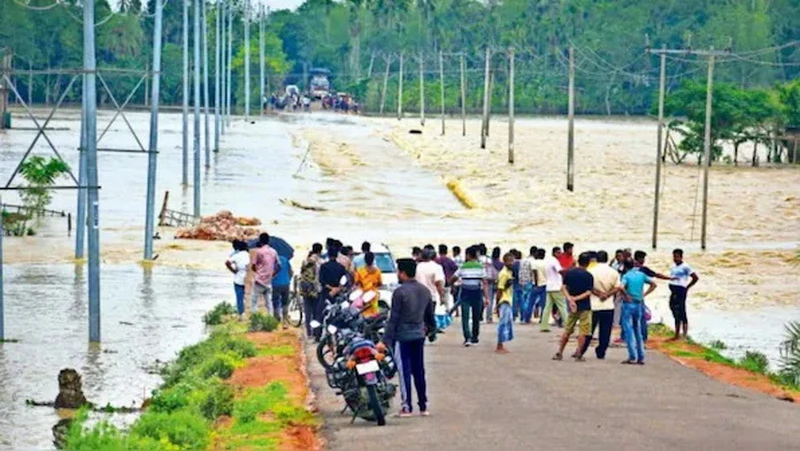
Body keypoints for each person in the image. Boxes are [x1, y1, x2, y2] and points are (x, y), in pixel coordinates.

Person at [382, 258, 436, 418]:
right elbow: (430, 317)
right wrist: (431, 331)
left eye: (399, 271)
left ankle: (407, 407)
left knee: (404, 371)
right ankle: (423, 405)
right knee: (419, 370)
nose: (398, 274)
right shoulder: (425, 291)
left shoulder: (400, 292)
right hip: (419, 335)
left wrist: (385, 340)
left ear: (403, 273)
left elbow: (394, 318)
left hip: (403, 336)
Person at [553, 253, 595, 362]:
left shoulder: (570, 273)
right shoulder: (589, 276)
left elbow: (563, 288)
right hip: (584, 306)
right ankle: (579, 353)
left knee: (567, 329)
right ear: (588, 263)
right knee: (583, 331)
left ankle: (560, 352)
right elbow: (588, 292)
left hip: (572, 306)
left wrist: (570, 299)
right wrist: (576, 299)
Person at [579, 251, 621, 359]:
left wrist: (599, 293)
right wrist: (607, 294)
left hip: (593, 305)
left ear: (596, 259)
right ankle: (601, 351)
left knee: (589, 329)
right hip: (608, 305)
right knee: (605, 331)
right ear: (607, 259)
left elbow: (588, 286)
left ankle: (582, 350)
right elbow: (617, 287)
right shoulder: (613, 272)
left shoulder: (590, 271)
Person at [619, 260, 657, 364]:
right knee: (638, 329)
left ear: (625, 267)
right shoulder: (641, 275)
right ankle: (641, 356)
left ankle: (632, 356)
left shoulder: (626, 276)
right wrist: (644, 294)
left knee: (628, 329)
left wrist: (626, 295)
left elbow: (620, 287)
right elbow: (653, 284)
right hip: (639, 303)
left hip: (628, 304)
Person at [451, 246, 488, 346]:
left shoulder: (463, 267)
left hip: (465, 293)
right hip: (477, 293)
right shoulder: (480, 267)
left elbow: (453, 278)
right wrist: (487, 297)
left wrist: (452, 285)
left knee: (465, 316)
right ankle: (475, 337)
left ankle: (467, 337)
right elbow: (484, 282)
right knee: (476, 317)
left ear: (467, 255)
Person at [633, 250, 670, 341]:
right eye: (643, 258)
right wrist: (670, 278)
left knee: (628, 317)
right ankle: (643, 337)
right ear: (640, 259)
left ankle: (627, 336)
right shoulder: (643, 270)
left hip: (628, 296)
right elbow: (656, 275)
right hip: (639, 296)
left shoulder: (629, 268)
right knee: (641, 317)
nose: (644, 260)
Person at [668, 249, 699, 341]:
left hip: (681, 291)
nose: (675, 258)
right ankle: (676, 334)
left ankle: (684, 335)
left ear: (681, 257)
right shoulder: (673, 267)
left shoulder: (686, 267)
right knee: (674, 310)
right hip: (673, 291)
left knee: (681, 311)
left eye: (677, 257)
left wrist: (687, 287)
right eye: (674, 256)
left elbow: (695, 277)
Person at [317, 247, 348, 337]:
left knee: (320, 314)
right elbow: (345, 281)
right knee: (339, 314)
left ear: (328, 255)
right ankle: (339, 334)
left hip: (326, 293)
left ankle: (318, 335)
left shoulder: (323, 266)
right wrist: (337, 289)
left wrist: (331, 288)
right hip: (338, 294)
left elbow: (321, 280)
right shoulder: (341, 267)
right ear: (336, 255)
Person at [416, 248, 446, 330]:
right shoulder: (436, 267)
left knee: (420, 316)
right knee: (429, 315)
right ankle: (430, 331)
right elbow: (439, 283)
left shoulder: (417, 266)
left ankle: (422, 331)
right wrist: (442, 296)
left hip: (417, 296)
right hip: (431, 296)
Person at [251, 233, 280, 316]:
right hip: (269, 281)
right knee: (269, 302)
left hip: (259, 280)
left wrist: (257, 272)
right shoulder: (274, 252)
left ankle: (255, 319)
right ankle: (270, 319)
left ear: (260, 241)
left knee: (254, 301)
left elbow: (253, 265)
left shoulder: (259, 252)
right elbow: (279, 266)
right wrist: (273, 274)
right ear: (268, 241)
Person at [541, 247, 568, 333]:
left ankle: (544, 325)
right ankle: (568, 325)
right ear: (554, 253)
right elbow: (560, 271)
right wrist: (570, 270)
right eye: (558, 253)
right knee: (562, 306)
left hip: (549, 286)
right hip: (556, 287)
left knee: (547, 307)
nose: (560, 255)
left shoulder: (548, 261)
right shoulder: (555, 261)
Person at [299, 244, 323, 336]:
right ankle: (315, 332)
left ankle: (308, 332)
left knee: (307, 311)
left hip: (305, 289)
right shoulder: (320, 261)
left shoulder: (305, 261)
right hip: (315, 289)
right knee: (316, 311)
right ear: (320, 251)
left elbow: (301, 273)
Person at [495, 253, 516, 354]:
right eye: (509, 261)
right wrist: (497, 303)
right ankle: (499, 345)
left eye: (512, 261)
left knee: (507, 322)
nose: (511, 263)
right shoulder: (504, 273)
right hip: (504, 300)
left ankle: (501, 343)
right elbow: (499, 289)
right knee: (503, 323)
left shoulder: (509, 272)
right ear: (504, 261)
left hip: (508, 299)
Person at [225, 240, 250, 319]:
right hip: (248, 279)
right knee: (248, 297)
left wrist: (234, 271)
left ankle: (241, 314)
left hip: (238, 279)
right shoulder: (249, 255)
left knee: (239, 297)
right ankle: (249, 312)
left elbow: (227, 262)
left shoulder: (236, 255)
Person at [354, 252, 382, 317]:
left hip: (363, 296)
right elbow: (380, 283)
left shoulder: (360, 271)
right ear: (373, 260)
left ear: (365, 260)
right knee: (374, 315)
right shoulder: (377, 271)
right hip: (374, 296)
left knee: (363, 315)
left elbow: (356, 283)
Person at [435, 244, 458, 314]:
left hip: (437, 281)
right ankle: (447, 311)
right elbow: (456, 268)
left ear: (439, 251)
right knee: (447, 297)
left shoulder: (436, 260)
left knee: (437, 297)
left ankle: (438, 312)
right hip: (447, 281)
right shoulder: (449, 260)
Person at [272, 253, 293, 328]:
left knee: (275, 302)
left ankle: (276, 319)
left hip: (275, 284)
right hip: (286, 284)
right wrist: (288, 280)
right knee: (285, 303)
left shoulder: (272, 260)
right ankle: (284, 321)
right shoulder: (285, 259)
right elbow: (291, 272)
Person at [519, 246, 537, 324]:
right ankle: (526, 318)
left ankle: (522, 317)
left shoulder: (523, 260)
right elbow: (534, 272)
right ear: (535, 253)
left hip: (522, 281)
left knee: (523, 300)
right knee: (528, 301)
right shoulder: (533, 261)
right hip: (530, 281)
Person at [481, 244, 498, 323]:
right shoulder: (489, 260)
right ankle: (489, 317)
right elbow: (492, 272)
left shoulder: (477, 260)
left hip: (478, 281)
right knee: (489, 299)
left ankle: (479, 316)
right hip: (488, 281)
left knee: (479, 299)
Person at [530, 248, 547, 320]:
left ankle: (526, 318)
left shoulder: (534, 262)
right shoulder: (546, 263)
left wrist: (536, 283)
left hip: (536, 284)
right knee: (544, 303)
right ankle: (542, 318)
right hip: (544, 284)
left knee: (531, 302)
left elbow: (535, 273)